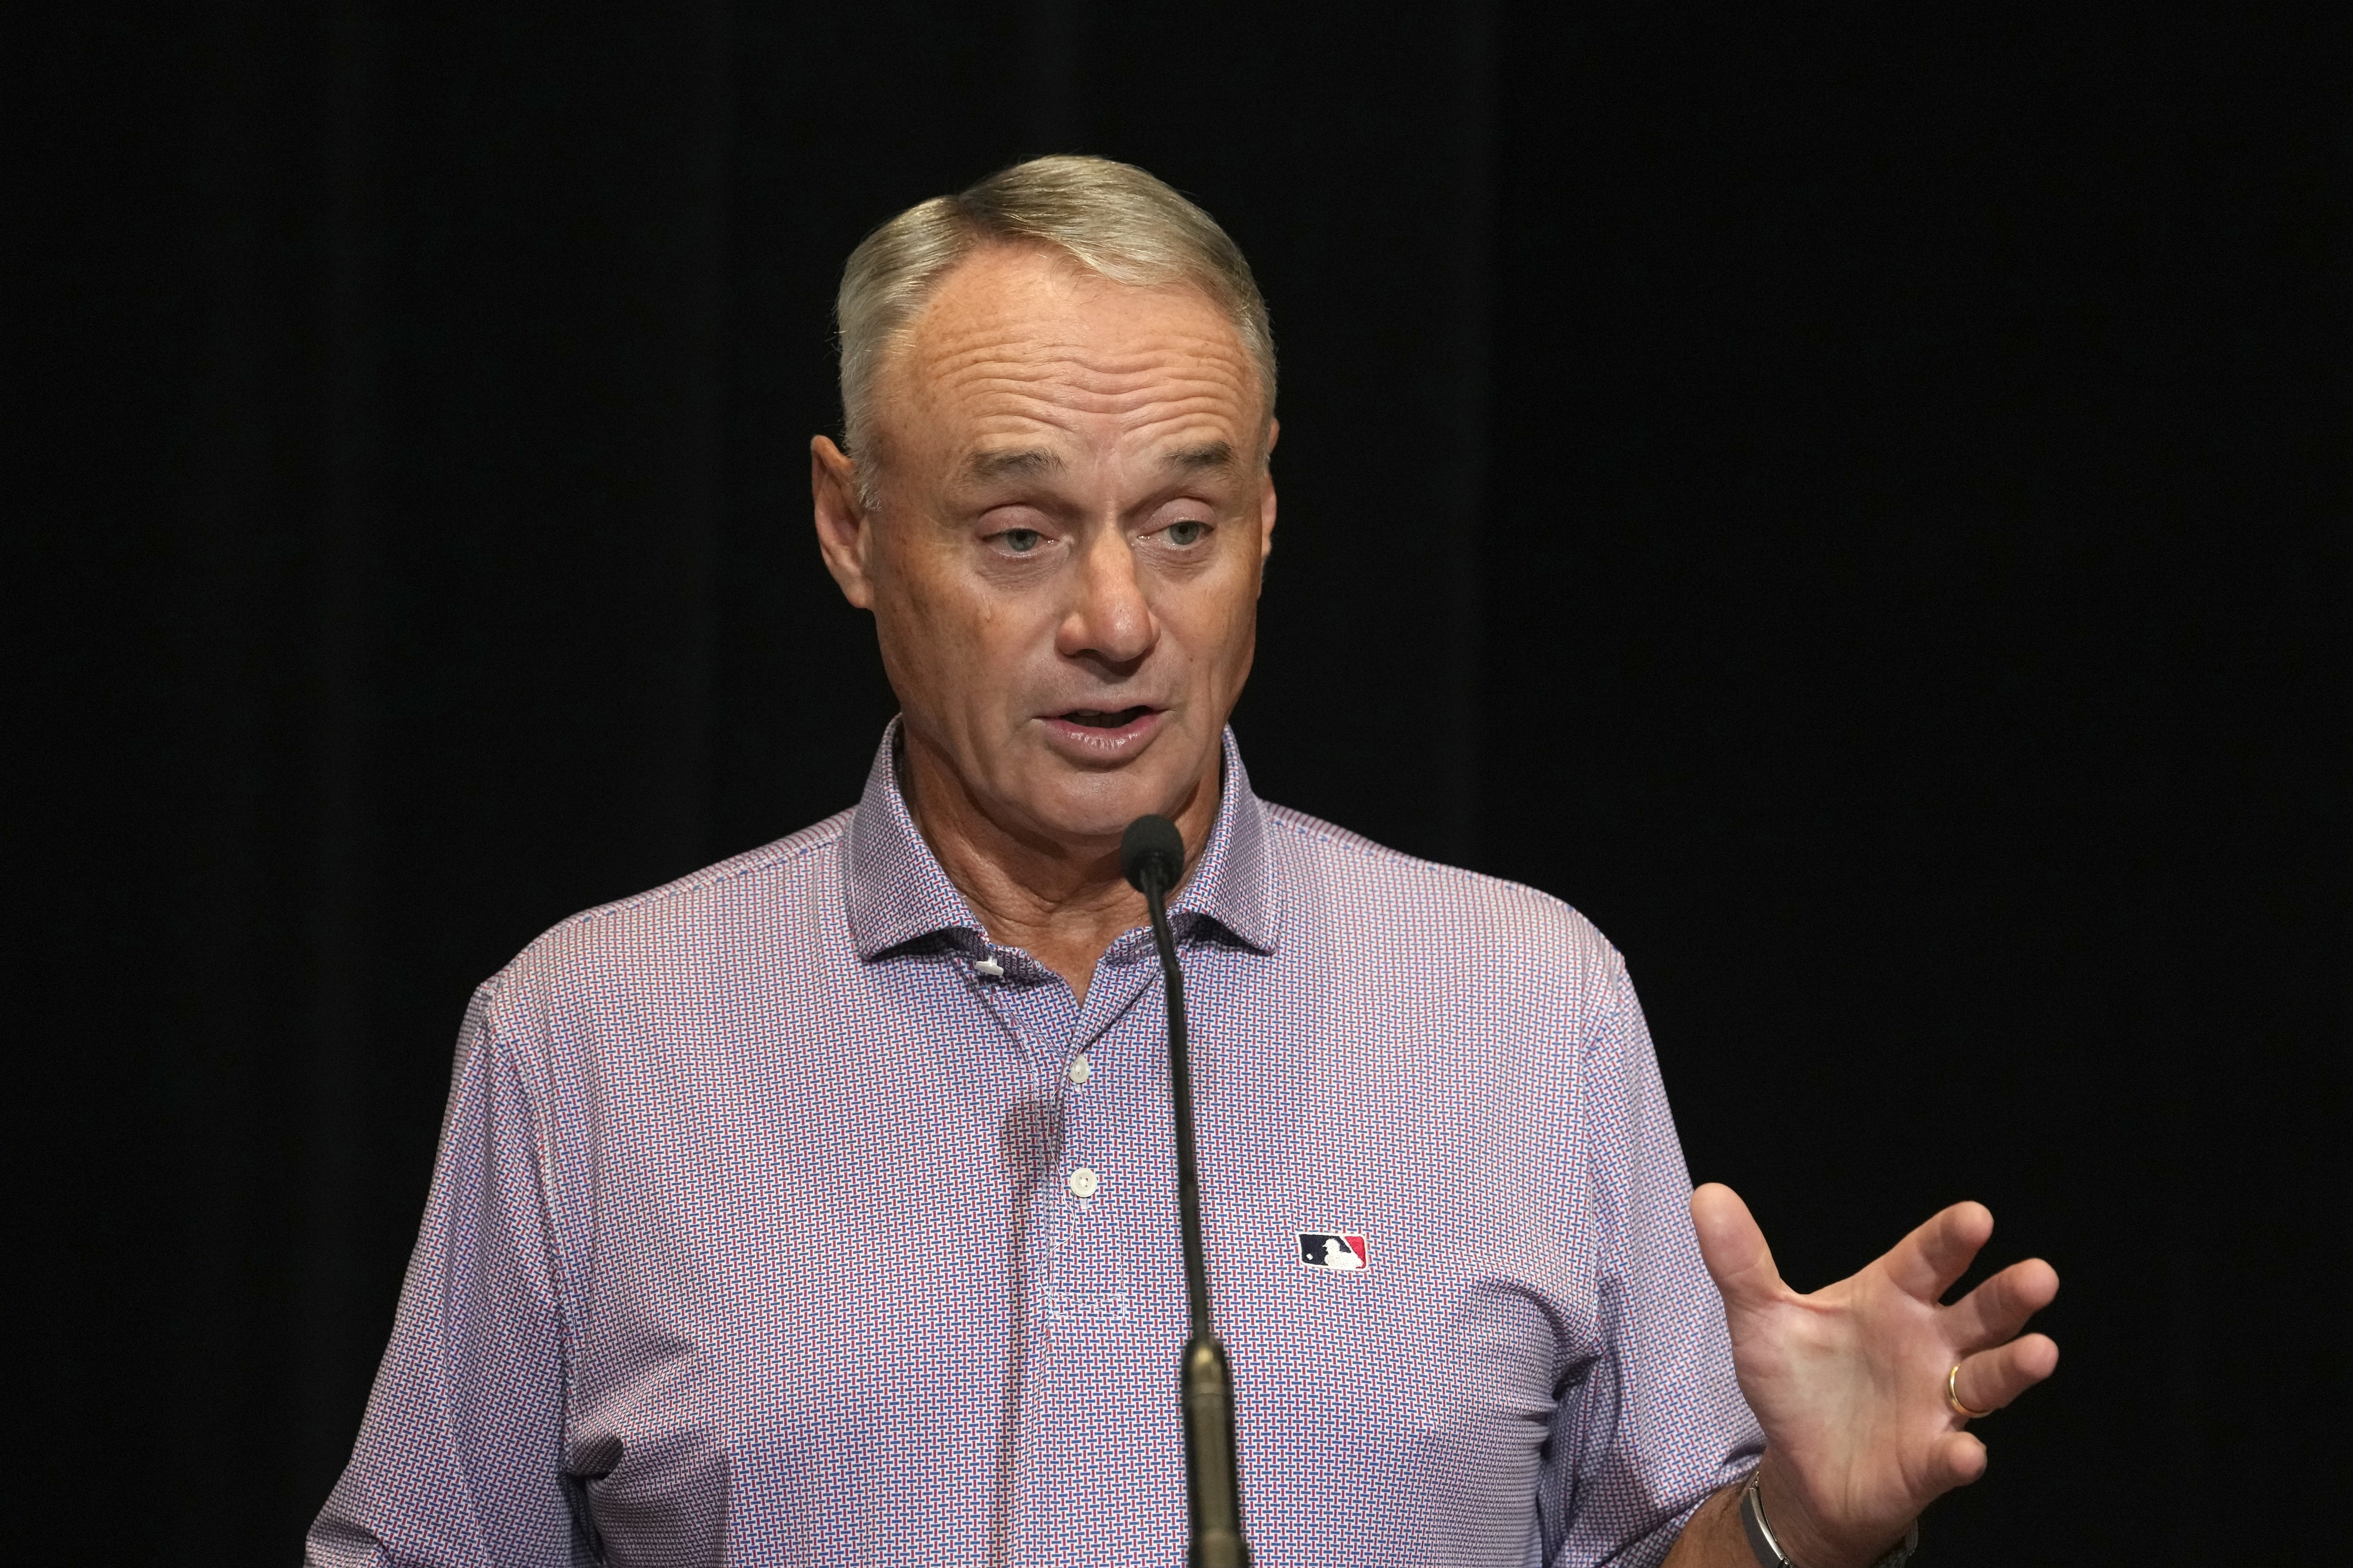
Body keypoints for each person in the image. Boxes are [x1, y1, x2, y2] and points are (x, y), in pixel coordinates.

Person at [308, 155, 2057, 1568]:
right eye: (1019, 533)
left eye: (1183, 527)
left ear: (1269, 513)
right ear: (851, 524)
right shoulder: (589, 1035)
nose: (1116, 619)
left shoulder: (1527, 1004)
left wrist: (1794, 1530)